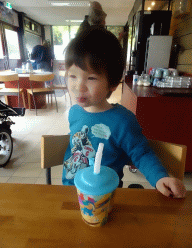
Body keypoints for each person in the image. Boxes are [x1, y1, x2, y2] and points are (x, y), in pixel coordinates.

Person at [62, 26, 186, 198]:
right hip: (70, 192)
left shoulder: (122, 121)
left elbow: (141, 153)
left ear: (112, 84)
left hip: (107, 196)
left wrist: (159, 177)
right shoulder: (74, 112)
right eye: (72, 76)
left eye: (91, 78)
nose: (78, 86)